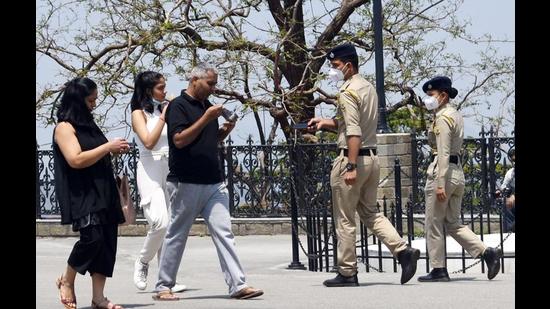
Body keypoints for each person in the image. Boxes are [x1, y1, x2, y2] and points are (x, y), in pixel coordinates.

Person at [307, 43, 420, 287]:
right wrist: (324, 122)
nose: (332, 70)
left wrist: (350, 166)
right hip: (372, 159)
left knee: (345, 219)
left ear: (348, 65)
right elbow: (349, 125)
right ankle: (402, 251)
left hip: (353, 158)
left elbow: (354, 132)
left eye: (335, 66)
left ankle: (347, 272)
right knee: (370, 212)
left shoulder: (347, 92)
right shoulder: (367, 88)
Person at [152, 63, 263, 300]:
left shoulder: (208, 107)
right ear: (194, 80)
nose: (213, 88)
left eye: (214, 83)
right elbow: (179, 140)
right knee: (177, 234)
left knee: (224, 232)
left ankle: (238, 285)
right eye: (209, 83)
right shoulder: (178, 107)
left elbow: (210, 140)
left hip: (214, 181)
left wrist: (224, 130)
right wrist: (205, 118)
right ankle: (163, 286)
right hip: (186, 181)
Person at [53, 77, 130, 309]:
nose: (94, 104)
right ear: (78, 100)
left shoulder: (90, 124)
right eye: (90, 100)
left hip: (104, 190)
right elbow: (75, 159)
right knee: (92, 239)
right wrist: (107, 147)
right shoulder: (64, 127)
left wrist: (113, 151)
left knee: (107, 243)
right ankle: (67, 280)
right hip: (83, 193)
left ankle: (99, 297)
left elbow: (95, 153)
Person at [417, 76, 502, 282]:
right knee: (453, 222)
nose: (428, 99)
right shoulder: (454, 114)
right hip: (457, 173)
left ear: (443, 95)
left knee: (434, 223)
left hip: (443, 173)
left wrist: (439, 184)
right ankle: (487, 252)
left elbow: (443, 152)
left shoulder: (443, 118)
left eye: (431, 95)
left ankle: (438, 269)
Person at [129, 71, 186, 292]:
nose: (164, 91)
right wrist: (164, 116)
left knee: (170, 226)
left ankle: (166, 278)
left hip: (169, 168)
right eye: (160, 88)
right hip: (149, 167)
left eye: (165, 87)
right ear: (148, 90)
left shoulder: (166, 109)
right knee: (159, 221)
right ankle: (143, 261)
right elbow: (149, 142)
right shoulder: (138, 114)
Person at [495, 149, 515, 232]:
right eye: (513, 160)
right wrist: (500, 192)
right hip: (512, 200)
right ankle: (509, 232)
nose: (514, 162)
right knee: (507, 205)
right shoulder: (510, 173)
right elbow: (504, 186)